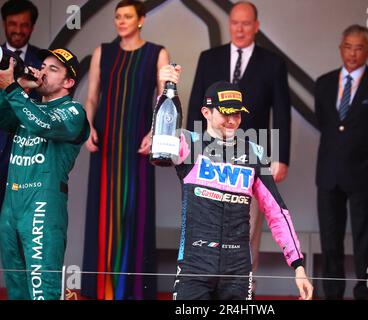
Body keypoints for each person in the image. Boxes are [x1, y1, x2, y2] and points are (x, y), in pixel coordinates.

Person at [163, 73, 313, 299]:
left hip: (238, 268)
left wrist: (298, 265)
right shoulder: (188, 144)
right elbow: (161, 134)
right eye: (225, 114)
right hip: (195, 265)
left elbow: (276, 211)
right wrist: (166, 88)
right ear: (206, 112)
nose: (232, 120)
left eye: (237, 114)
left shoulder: (254, 153)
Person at [186, 1, 291, 292]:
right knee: (206, 220)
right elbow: (197, 104)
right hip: (209, 155)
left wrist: (280, 157)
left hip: (251, 157)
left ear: (256, 26)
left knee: (248, 225)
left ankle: (245, 287)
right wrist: (194, 150)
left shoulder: (273, 62)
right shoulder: (209, 58)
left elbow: (281, 112)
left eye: (246, 23)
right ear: (229, 24)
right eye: (235, 22)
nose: (240, 28)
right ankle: (203, 285)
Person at [81, 0, 171, 300]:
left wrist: (155, 132)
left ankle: (133, 293)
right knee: (103, 214)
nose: (121, 21)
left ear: (141, 19)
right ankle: (102, 291)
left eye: (128, 16)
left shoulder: (157, 53)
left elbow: (165, 101)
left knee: (135, 214)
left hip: (138, 147)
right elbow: (92, 97)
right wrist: (88, 126)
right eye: (117, 16)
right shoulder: (102, 53)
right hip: (105, 144)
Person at [314, 25, 368, 300]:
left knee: (365, 241)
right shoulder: (323, 83)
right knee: (330, 240)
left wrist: (363, 155)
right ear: (340, 49)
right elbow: (324, 123)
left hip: (363, 173)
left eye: (359, 47)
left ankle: (365, 293)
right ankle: (333, 293)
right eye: (348, 46)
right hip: (328, 174)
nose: (352, 52)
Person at [0, 47, 88, 300]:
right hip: (11, 206)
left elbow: (42, 124)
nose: (44, 71)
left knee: (43, 290)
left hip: (43, 207)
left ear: (68, 82)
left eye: (54, 69)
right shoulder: (26, 104)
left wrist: (14, 92)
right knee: (15, 288)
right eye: (43, 65)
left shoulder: (73, 111)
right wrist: (17, 85)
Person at [0, 0, 41, 220]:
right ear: (4, 24)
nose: (17, 29)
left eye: (24, 24)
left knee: (21, 228)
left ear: (32, 27)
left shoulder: (43, 61)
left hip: (27, 156)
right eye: (12, 23)